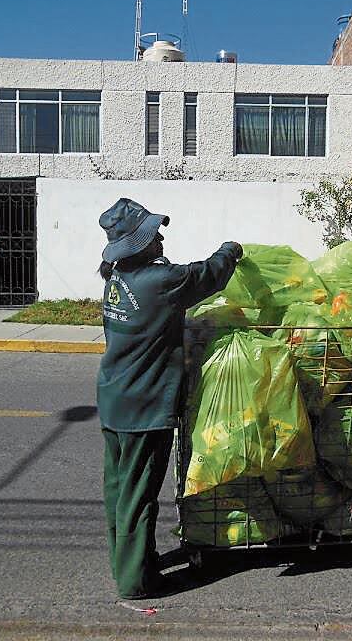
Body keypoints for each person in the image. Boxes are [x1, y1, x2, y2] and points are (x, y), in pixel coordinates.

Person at [95, 197, 242, 599]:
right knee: (139, 496)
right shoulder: (159, 281)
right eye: (151, 233)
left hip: (115, 397)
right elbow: (208, 274)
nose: (159, 236)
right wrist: (231, 249)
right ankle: (137, 582)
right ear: (138, 243)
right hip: (145, 404)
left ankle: (126, 560)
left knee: (119, 489)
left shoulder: (116, 277)